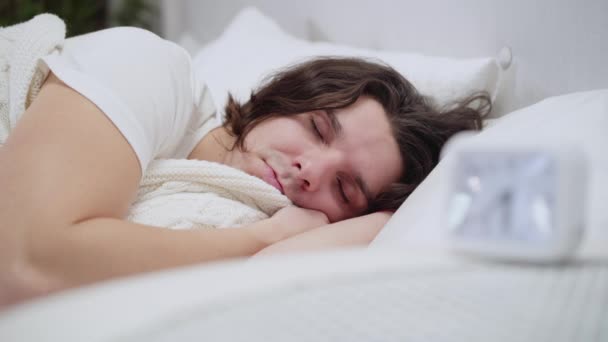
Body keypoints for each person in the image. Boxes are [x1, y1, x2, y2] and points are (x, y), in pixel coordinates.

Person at [0, 26, 489, 306]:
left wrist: (379, 221)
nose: (311, 170)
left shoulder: (226, 207)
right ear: (282, 98)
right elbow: (25, 263)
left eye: (344, 188)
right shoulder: (153, 70)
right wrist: (268, 237)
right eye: (317, 128)